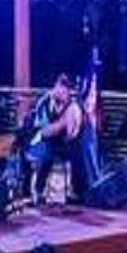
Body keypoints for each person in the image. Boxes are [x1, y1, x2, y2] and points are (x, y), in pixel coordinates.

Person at [27, 71, 102, 206]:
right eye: (60, 87)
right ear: (55, 87)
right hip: (44, 142)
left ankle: (78, 191)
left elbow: (74, 131)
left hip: (63, 142)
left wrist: (74, 127)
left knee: (78, 152)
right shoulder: (44, 103)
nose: (63, 92)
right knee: (47, 156)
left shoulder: (73, 106)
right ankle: (38, 191)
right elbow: (45, 131)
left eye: (66, 89)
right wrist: (62, 123)